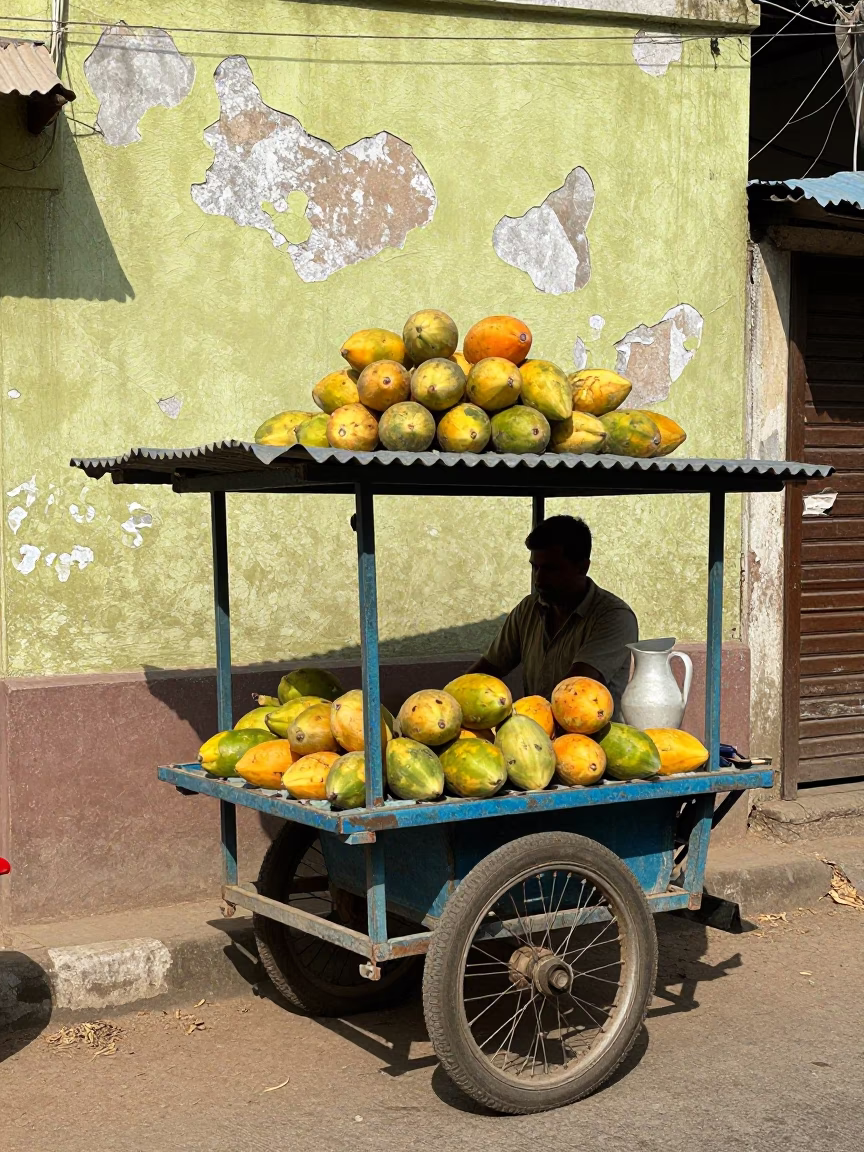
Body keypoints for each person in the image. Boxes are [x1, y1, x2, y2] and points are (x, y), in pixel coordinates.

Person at [467, 515, 638, 713]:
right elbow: (488, 669)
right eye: (535, 567)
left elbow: (573, 695)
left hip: (589, 740)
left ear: (583, 567)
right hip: (533, 733)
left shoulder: (613, 617)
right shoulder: (528, 609)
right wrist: (446, 701)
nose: (538, 578)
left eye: (550, 569)